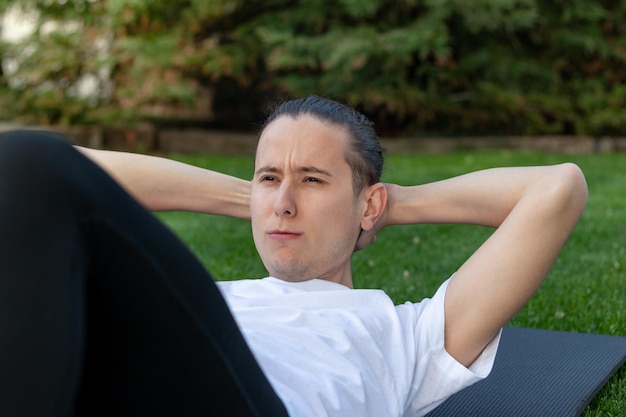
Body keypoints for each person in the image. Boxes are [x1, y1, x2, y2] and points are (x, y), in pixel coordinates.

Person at [0, 95, 587, 417]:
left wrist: (381, 206)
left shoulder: (410, 333)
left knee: (30, 161)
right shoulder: (215, 302)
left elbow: (556, 190)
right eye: (267, 177)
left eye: (311, 180)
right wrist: (252, 199)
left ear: (367, 201)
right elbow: (54, 185)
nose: (282, 204)